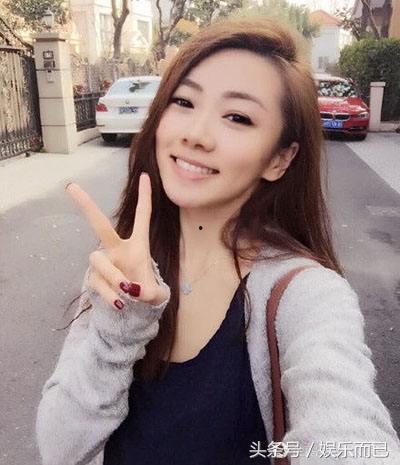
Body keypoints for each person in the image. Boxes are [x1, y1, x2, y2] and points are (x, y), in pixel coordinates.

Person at [36, 16, 400, 465]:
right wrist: (118, 331)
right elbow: (59, 448)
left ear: (280, 159)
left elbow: (344, 428)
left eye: (237, 117)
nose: (195, 134)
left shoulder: (307, 295)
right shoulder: (122, 266)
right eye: (184, 101)